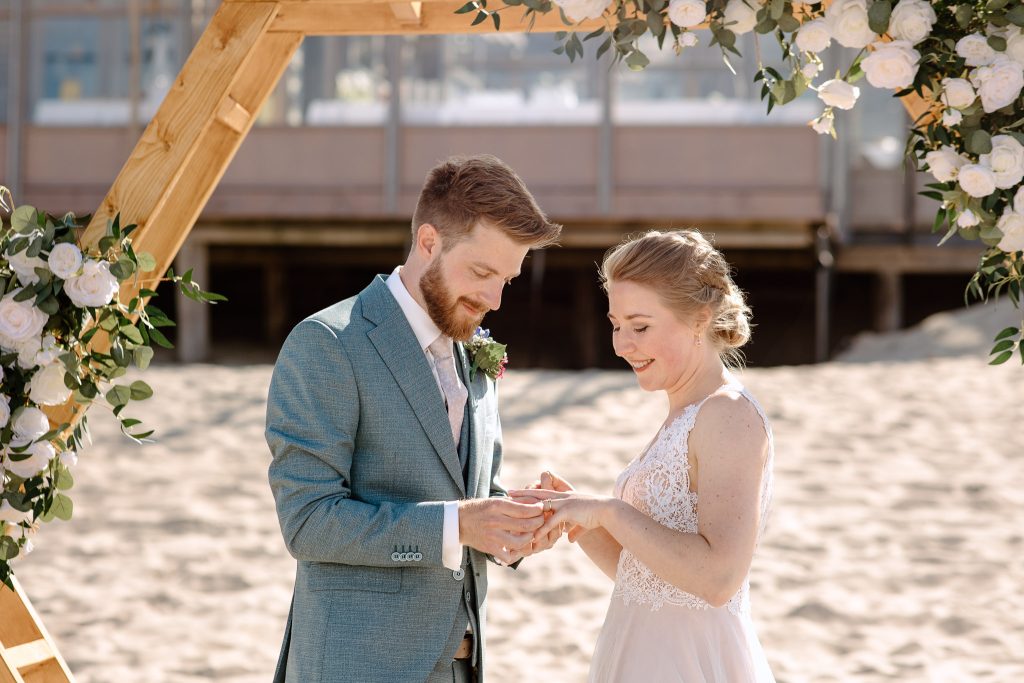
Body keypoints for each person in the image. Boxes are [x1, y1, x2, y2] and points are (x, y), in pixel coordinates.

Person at [266, 155, 563, 683]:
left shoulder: (474, 349)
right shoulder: (328, 344)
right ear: (429, 242)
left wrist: (518, 523)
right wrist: (461, 523)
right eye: (482, 272)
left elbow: (467, 491)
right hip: (357, 666)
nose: (494, 299)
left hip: (462, 667)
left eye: (507, 281)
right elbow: (308, 522)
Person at [513, 229, 777, 682]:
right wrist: (580, 519)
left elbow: (718, 578)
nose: (620, 344)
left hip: (691, 661)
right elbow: (649, 577)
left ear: (699, 318)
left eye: (640, 327)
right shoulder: (684, 414)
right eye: (616, 325)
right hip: (640, 652)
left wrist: (610, 512)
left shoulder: (728, 415)